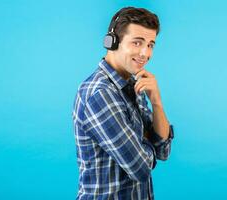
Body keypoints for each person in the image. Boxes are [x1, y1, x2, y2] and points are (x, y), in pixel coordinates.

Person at [72, 6, 174, 200]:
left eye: (151, 44)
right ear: (112, 42)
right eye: (137, 42)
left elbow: (163, 150)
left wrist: (157, 103)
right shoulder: (100, 94)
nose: (145, 53)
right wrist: (146, 138)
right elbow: (140, 168)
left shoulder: (134, 85)